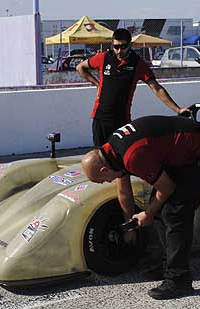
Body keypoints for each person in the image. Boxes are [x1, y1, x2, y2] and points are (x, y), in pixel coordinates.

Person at [81, 115, 200, 300]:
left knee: (175, 213)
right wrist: (129, 225)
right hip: (176, 153)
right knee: (160, 210)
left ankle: (179, 281)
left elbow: (167, 187)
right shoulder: (111, 152)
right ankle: (168, 266)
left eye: (102, 180)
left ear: (104, 170)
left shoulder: (132, 156)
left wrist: (147, 213)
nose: (107, 182)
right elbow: (124, 192)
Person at [76, 28, 189, 228]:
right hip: (100, 121)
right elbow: (80, 67)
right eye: (116, 46)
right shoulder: (103, 58)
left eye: (123, 47)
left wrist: (178, 109)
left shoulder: (137, 64)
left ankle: (128, 224)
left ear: (130, 45)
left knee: (123, 179)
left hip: (121, 125)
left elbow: (156, 88)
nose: (119, 51)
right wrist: (97, 84)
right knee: (98, 167)